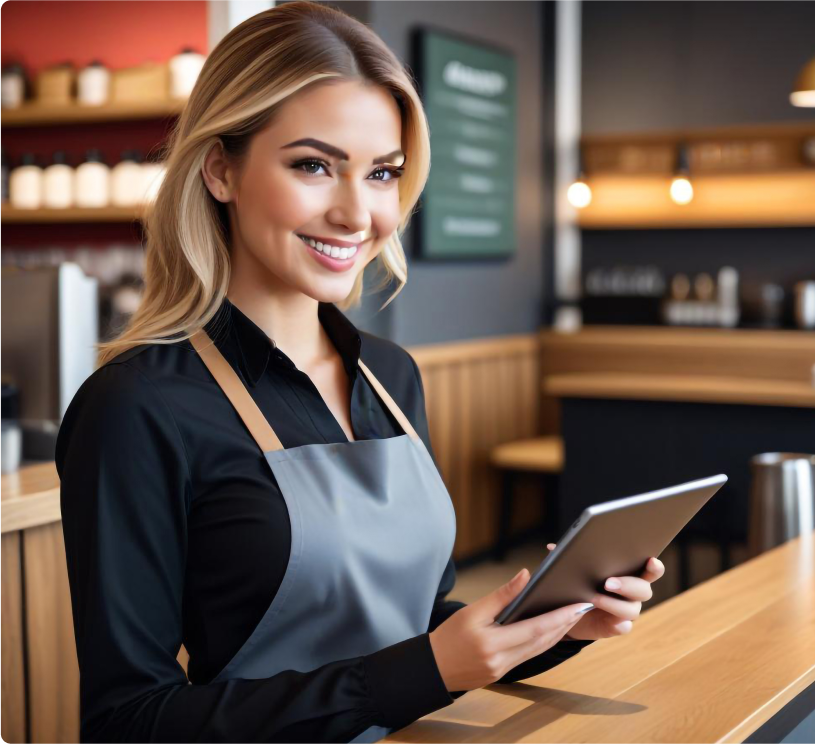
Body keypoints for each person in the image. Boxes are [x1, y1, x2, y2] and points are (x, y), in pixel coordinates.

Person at [55, 3, 665, 743]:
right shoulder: (138, 406)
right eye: (313, 165)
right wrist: (427, 671)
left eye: (382, 174)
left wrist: (551, 620)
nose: (356, 212)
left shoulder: (390, 376)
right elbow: (127, 722)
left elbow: (407, 628)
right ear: (220, 169)